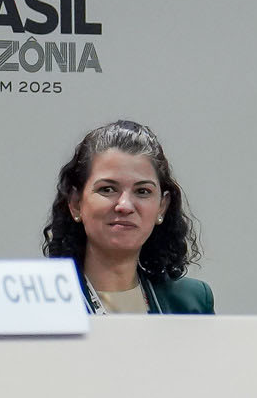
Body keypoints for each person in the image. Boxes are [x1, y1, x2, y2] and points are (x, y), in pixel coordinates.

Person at [44, 120, 213, 314]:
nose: (124, 205)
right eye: (107, 189)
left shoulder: (191, 302)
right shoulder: (41, 304)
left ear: (162, 206)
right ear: (75, 203)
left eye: (142, 191)